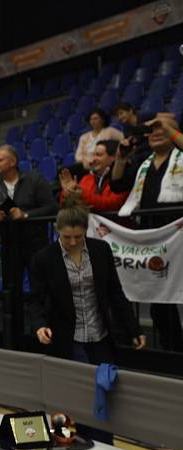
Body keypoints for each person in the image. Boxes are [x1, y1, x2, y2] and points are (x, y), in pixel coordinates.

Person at [30, 199, 146, 443]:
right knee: (72, 395)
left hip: (100, 334)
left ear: (86, 231)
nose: (72, 242)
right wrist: (40, 325)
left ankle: (105, 448)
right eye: (67, 237)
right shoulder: (44, 258)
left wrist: (133, 328)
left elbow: (115, 292)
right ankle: (69, 446)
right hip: (68, 337)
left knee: (104, 392)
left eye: (78, 237)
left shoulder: (100, 250)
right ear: (57, 231)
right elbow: (36, 300)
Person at [110, 112, 183, 352]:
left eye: (162, 129)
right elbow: (117, 183)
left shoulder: (180, 156)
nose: (155, 133)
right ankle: (171, 347)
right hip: (154, 237)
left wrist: (169, 128)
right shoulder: (144, 162)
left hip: (178, 235)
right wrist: (121, 157)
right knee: (160, 296)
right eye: (152, 131)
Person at [0, 145, 57, 342]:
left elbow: (51, 207)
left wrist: (26, 215)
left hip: (35, 242)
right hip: (8, 242)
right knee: (11, 288)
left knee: (39, 286)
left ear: (12, 162)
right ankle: (15, 332)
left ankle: (43, 330)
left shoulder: (34, 179)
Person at [59, 140, 128, 213]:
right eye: (93, 155)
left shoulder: (121, 179)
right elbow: (68, 206)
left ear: (113, 157)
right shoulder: (87, 178)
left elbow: (112, 205)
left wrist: (81, 195)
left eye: (99, 155)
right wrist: (67, 193)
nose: (93, 159)